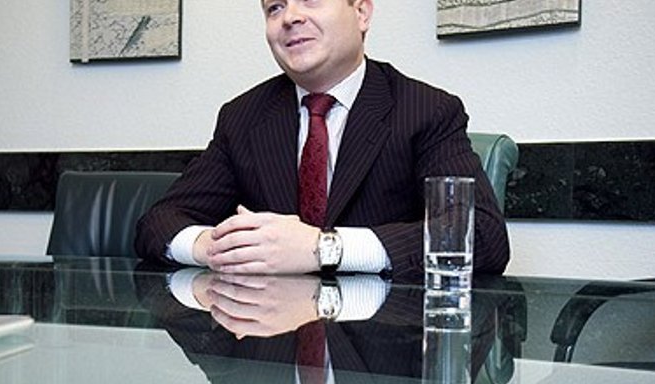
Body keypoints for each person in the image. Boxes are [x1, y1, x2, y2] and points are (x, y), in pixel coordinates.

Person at [135, 0, 510, 277]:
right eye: (274, 8)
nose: (290, 17)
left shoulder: (426, 110)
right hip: (271, 345)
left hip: (385, 345)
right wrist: (214, 249)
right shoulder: (243, 117)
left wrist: (324, 248)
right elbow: (159, 222)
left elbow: (482, 237)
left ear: (361, 13)